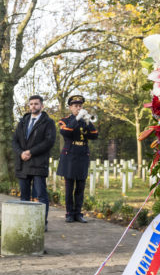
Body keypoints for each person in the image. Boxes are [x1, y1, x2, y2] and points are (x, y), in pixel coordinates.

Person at [12, 95, 57, 229]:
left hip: (38, 163)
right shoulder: (23, 121)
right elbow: (14, 140)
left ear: (42, 106)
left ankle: (42, 223)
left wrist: (30, 152)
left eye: (36, 104)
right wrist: (21, 152)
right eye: (31, 104)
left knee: (41, 196)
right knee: (24, 197)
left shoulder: (48, 122)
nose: (33, 106)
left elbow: (49, 141)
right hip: (23, 164)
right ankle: (26, 222)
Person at [57, 94, 98, 223]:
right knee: (69, 187)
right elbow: (66, 132)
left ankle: (78, 213)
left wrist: (88, 122)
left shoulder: (85, 120)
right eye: (75, 106)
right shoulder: (64, 120)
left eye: (80, 106)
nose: (78, 108)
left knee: (80, 186)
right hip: (70, 155)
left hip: (82, 155)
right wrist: (77, 118)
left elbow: (94, 135)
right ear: (70, 107)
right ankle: (69, 213)